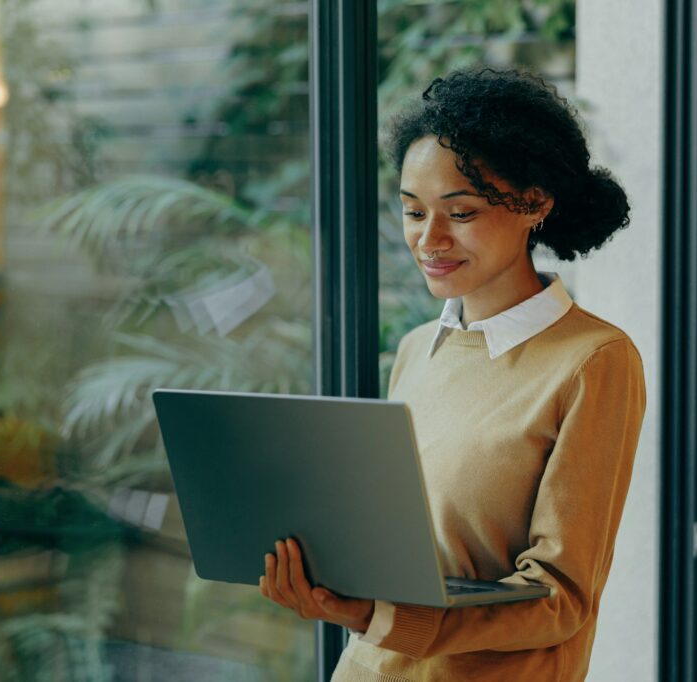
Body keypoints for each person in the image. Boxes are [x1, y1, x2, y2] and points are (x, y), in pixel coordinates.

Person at [259, 66, 646, 681]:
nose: (428, 239)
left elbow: (561, 598)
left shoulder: (594, 360)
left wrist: (381, 617)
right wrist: (330, 579)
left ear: (535, 203)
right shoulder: (418, 349)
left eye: (460, 212)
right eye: (413, 212)